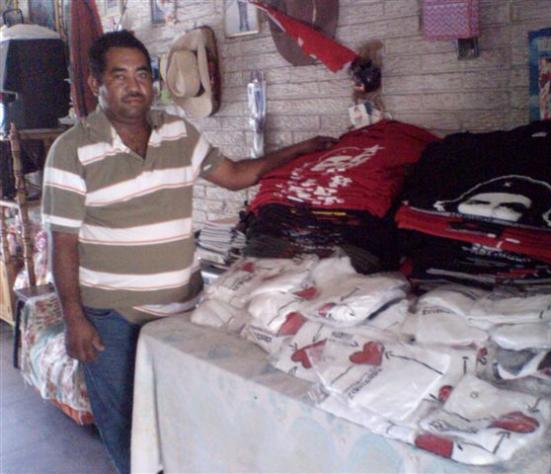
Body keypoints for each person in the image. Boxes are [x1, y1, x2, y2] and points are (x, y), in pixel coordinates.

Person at [41, 30, 336, 474]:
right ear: (94, 83)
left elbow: (234, 175)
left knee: (183, 418)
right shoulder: (72, 151)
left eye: (142, 74)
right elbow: (62, 243)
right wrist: (74, 319)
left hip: (182, 311)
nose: (134, 85)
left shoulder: (178, 132)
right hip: (113, 318)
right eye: (119, 76)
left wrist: (300, 149)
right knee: (126, 426)